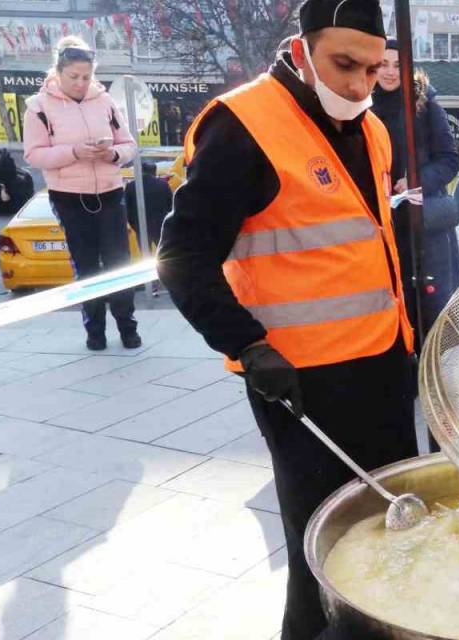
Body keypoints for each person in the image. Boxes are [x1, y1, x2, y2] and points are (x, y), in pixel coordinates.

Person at [156, 2, 419, 638]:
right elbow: (182, 256)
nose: (359, 84)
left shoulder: (373, 128)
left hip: (382, 361)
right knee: (321, 552)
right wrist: (246, 345)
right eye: (344, 64)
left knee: (393, 530)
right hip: (301, 382)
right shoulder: (243, 126)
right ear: (301, 51)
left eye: (373, 68)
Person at [22, 35, 140, 351]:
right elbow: (33, 155)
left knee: (119, 264)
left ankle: (128, 327)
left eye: (86, 77)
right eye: (74, 76)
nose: (81, 83)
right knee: (86, 266)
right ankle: (95, 332)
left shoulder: (104, 101)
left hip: (111, 192)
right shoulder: (38, 107)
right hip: (69, 197)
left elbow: (129, 145)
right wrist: (73, 152)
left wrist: (112, 154)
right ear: (58, 72)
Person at [372, 38, 459, 338]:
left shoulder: (425, 104)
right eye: (383, 64)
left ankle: (429, 368)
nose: (390, 72)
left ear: (409, 67)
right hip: (382, 223)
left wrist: (415, 180)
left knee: (430, 309)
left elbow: (450, 160)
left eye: (398, 65)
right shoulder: (363, 105)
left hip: (423, 225)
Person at [125, 161, 172, 251]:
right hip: (160, 226)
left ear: (141, 171)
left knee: (145, 256)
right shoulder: (163, 185)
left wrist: (135, 225)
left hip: (141, 226)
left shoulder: (131, 186)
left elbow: (127, 209)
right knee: (163, 254)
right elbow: (171, 206)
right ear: (154, 171)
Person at [0, 149, 32, 216]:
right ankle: (13, 208)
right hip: (11, 181)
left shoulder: (2, 163)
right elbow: (13, 171)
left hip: (5, 182)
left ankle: (5, 210)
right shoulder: (10, 161)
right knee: (13, 196)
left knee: (4, 197)